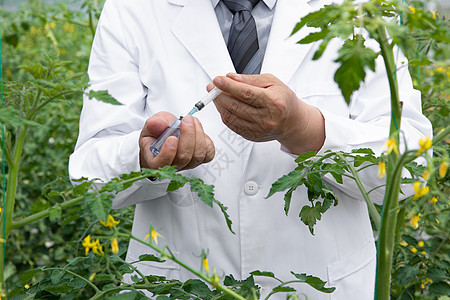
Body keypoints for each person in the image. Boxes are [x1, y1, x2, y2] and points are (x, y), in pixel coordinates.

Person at [69, 0, 432, 298]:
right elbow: (89, 174)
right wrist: (145, 158)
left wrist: (305, 128)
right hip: (180, 285)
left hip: (323, 285)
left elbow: (410, 170)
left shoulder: (357, 9)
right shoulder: (132, 10)